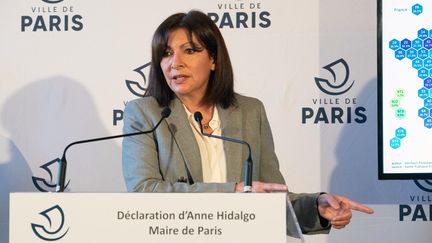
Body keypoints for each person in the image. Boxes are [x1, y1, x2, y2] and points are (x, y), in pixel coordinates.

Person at [122, 10, 374, 234]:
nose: (175, 62)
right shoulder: (145, 113)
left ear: (213, 60)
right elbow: (144, 191)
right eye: (166, 53)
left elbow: (271, 198)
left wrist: (316, 207)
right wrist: (234, 192)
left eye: (189, 50)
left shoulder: (249, 111)